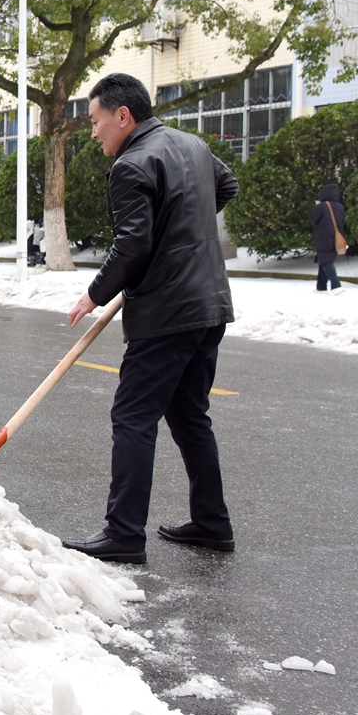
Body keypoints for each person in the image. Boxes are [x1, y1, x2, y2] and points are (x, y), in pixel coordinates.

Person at [62, 73, 239, 565]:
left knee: (133, 417)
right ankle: (212, 523)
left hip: (166, 310)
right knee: (188, 415)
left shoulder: (130, 164)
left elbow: (133, 244)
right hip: (209, 305)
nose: (94, 133)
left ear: (124, 116)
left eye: (97, 122)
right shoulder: (192, 145)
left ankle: (123, 533)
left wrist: (94, 294)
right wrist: (183, 228)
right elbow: (227, 184)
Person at [310, 184, 347, 294]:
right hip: (335, 236)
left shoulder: (322, 206)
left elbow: (312, 218)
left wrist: (316, 207)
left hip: (323, 236)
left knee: (326, 261)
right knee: (325, 259)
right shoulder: (340, 206)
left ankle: (336, 285)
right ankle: (321, 287)